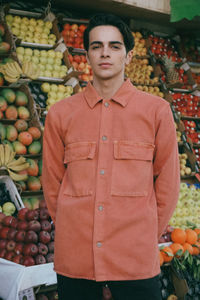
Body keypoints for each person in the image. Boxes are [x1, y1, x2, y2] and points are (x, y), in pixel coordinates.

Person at [42, 13, 180, 300]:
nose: (105, 52)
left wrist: (144, 236)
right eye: (97, 46)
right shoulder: (61, 114)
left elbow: (167, 183)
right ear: (87, 54)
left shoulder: (156, 111)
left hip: (135, 261)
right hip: (76, 260)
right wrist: (72, 227)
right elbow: (53, 184)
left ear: (128, 56)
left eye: (115, 46)